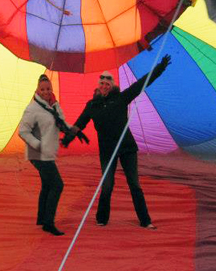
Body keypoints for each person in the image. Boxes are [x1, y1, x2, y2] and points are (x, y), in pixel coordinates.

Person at [62, 55, 171, 229]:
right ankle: (102, 219)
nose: (104, 86)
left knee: (134, 184)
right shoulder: (92, 105)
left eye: (107, 83)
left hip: (127, 148)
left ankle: (145, 221)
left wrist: (160, 68)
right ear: (98, 86)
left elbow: (141, 84)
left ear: (112, 86)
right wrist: (68, 138)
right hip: (107, 151)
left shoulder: (121, 98)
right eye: (102, 83)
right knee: (107, 185)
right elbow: (79, 123)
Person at [19, 74, 88, 236]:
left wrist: (75, 131)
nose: (46, 92)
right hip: (38, 154)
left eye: (48, 89)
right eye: (42, 89)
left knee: (47, 184)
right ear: (37, 90)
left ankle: (42, 218)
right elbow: (23, 131)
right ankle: (48, 223)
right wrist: (37, 144)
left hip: (48, 152)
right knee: (57, 185)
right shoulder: (33, 109)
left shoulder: (54, 106)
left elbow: (62, 124)